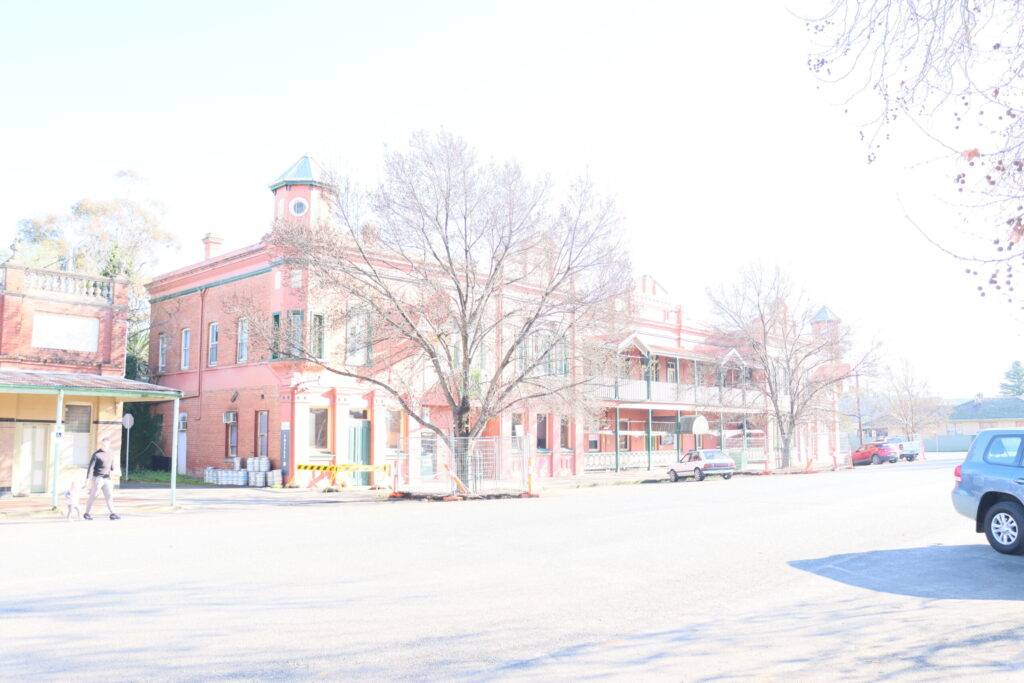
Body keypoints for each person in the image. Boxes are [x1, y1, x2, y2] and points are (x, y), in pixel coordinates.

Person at [84, 437, 120, 521]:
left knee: (109, 496)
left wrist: (115, 472)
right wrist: (87, 479)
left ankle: (113, 513)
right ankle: (87, 513)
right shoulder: (96, 454)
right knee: (94, 495)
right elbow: (91, 467)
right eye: (103, 444)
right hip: (98, 478)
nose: (105, 446)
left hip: (107, 478)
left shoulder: (111, 453)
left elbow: (111, 465)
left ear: (109, 445)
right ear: (101, 444)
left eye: (106, 444)